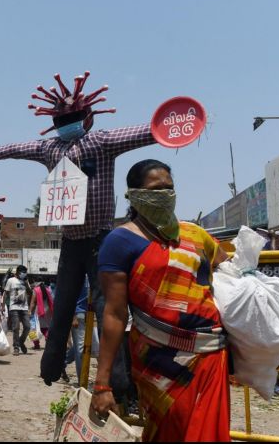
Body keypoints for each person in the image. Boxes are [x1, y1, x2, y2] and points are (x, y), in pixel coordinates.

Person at [0, 70, 156, 397]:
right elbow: (18, 148)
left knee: (108, 308)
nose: (67, 123)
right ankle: (52, 366)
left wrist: (172, 127)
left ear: (87, 118)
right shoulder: (51, 149)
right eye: (62, 119)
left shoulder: (100, 142)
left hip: (101, 240)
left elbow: (141, 133)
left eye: (71, 118)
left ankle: (119, 383)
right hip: (72, 242)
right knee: (66, 308)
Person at [91, 159, 230, 442]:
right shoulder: (119, 242)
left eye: (169, 188)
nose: (165, 195)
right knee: (169, 432)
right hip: (159, 359)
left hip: (210, 358)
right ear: (134, 195)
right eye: (156, 190)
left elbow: (227, 270)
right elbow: (115, 314)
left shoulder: (195, 234)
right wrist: (102, 383)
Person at [69, 279, 100, 385]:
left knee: (97, 347)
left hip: (93, 314)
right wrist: (73, 316)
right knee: (80, 350)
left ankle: (64, 362)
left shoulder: (94, 273)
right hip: (79, 314)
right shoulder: (79, 273)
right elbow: (70, 295)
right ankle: (82, 380)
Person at [4, 265, 32, 356]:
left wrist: (26, 283)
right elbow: (6, 293)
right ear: (18, 272)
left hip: (24, 307)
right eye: (23, 272)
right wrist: (3, 305)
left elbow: (30, 293)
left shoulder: (25, 281)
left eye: (25, 272)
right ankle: (16, 347)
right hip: (14, 307)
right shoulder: (11, 280)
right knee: (16, 327)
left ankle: (21, 341)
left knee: (27, 326)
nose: (24, 274)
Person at [29, 278, 53, 350]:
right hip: (48, 310)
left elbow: (33, 302)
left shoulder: (36, 290)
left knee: (34, 327)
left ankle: (36, 345)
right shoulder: (48, 289)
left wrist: (30, 311)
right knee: (46, 327)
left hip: (39, 310)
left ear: (35, 281)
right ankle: (48, 341)